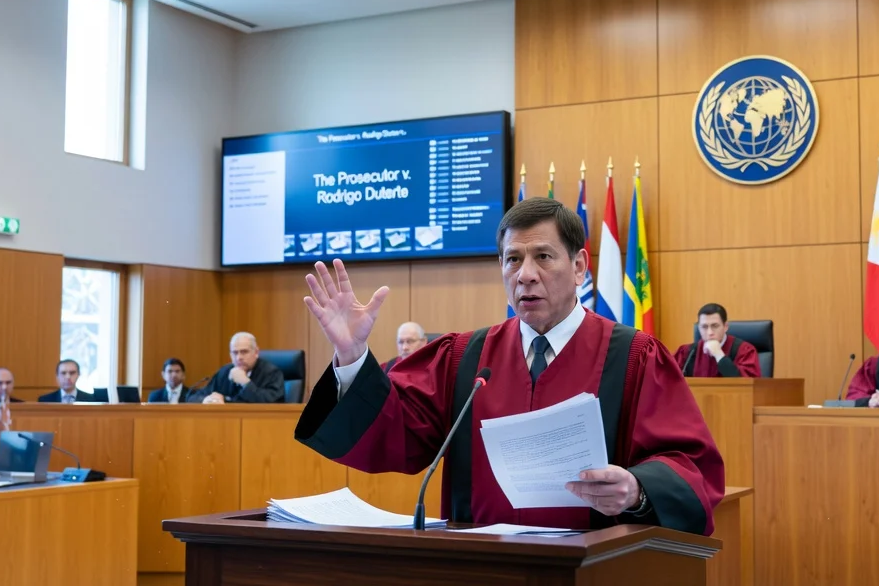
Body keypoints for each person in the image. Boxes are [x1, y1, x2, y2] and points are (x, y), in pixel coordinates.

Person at [294, 197, 725, 534]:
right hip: (484, 575)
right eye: (513, 259)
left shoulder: (632, 356)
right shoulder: (464, 358)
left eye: (544, 257)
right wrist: (353, 356)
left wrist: (636, 489)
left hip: (594, 577)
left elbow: (690, 464)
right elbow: (397, 433)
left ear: (579, 267)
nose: (525, 274)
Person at [672, 303, 762, 378]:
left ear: (725, 326)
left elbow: (747, 386)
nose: (710, 332)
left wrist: (719, 355)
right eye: (704, 327)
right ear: (699, 328)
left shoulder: (744, 351)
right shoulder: (687, 353)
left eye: (715, 326)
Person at [201, 332, 285, 404]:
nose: (239, 358)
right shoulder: (224, 372)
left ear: (256, 352)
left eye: (244, 352)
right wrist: (207, 399)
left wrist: (246, 384)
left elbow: (273, 402)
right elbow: (197, 395)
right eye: (235, 353)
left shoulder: (271, 373)